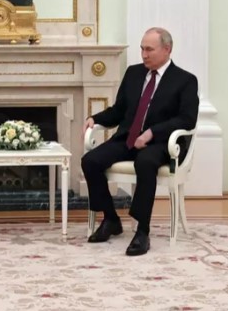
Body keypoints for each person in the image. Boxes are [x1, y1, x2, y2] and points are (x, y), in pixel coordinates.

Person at [81, 27, 200, 256]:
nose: (144, 55)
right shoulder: (133, 73)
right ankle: (111, 219)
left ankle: (142, 231)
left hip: (162, 144)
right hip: (128, 138)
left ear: (167, 49)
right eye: (142, 49)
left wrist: (152, 132)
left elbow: (187, 119)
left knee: (145, 163)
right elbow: (119, 111)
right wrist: (95, 119)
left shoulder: (185, 80)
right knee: (90, 161)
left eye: (149, 50)